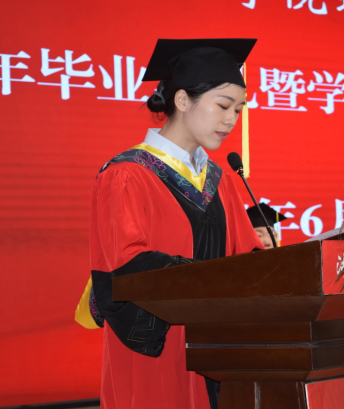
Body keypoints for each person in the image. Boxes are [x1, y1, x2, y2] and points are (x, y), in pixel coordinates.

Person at [79, 38, 264, 409]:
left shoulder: (221, 181)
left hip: (217, 349)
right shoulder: (127, 174)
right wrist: (212, 282)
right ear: (181, 100)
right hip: (158, 348)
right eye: (223, 105)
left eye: (239, 109)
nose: (231, 119)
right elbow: (125, 268)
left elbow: (247, 257)